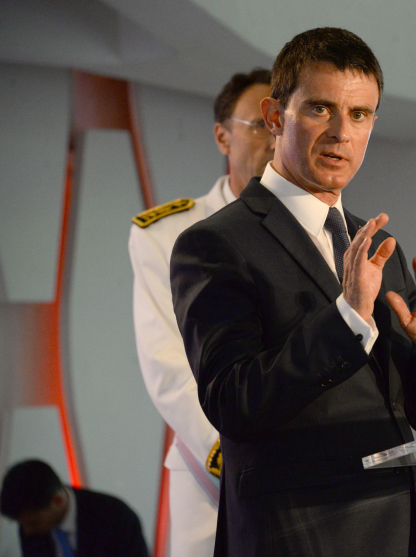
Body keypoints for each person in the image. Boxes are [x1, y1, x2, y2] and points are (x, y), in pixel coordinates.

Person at [169, 27, 416, 557]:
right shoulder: (215, 244)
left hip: (400, 531)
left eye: (359, 114)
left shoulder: (377, 246)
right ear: (274, 116)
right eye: (320, 109)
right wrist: (346, 319)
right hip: (296, 536)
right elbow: (234, 404)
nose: (341, 133)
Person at [129, 68, 273, 556]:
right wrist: (231, 452)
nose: (275, 138)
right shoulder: (167, 234)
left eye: (283, 123)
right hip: (212, 469)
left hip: (305, 471)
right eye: (260, 124)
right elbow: (167, 365)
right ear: (222, 137)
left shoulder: (320, 228)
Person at [0, 459, 148, 557]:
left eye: (33, 523)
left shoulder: (116, 518)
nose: (27, 531)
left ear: (57, 501)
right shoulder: (31, 525)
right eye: (22, 524)